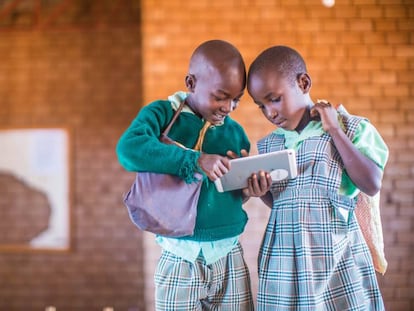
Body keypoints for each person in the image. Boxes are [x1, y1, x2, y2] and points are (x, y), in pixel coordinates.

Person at [116, 40, 269, 311]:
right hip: (179, 256)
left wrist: (248, 190)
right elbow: (129, 149)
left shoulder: (236, 133)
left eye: (236, 99)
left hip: (229, 254)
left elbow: (232, 196)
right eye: (220, 96)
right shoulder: (162, 113)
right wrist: (195, 160)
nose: (228, 107)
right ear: (191, 82)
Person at [246, 45, 389, 310]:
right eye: (261, 106)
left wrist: (334, 129)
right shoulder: (271, 145)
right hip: (284, 258)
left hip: (335, 256)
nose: (270, 113)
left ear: (304, 83)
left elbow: (370, 184)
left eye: (274, 99)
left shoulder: (349, 127)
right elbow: (286, 202)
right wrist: (261, 190)